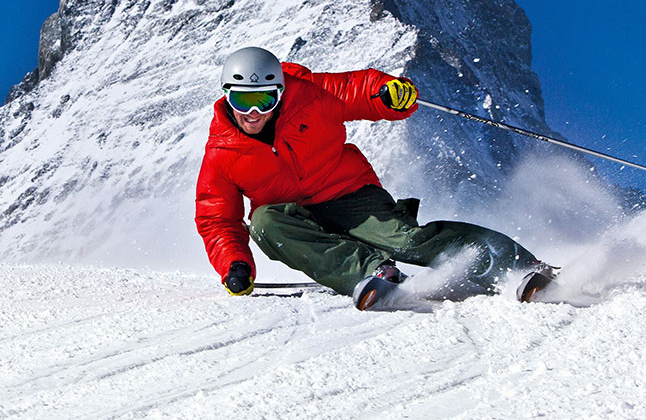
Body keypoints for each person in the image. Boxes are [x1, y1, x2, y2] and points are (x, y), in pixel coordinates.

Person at [194, 46, 557, 309]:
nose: (254, 112)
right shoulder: (222, 152)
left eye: (265, 100)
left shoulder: (310, 96)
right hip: (293, 217)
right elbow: (216, 218)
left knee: (406, 240)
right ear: (227, 98)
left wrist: (388, 95)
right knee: (264, 222)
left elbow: (356, 89)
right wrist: (235, 264)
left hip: (349, 195)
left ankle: (519, 266)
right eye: (243, 101)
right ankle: (373, 273)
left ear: (281, 93)